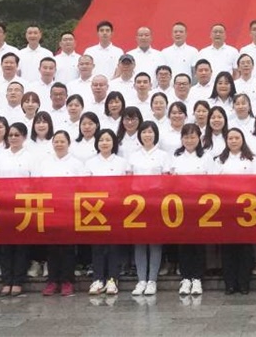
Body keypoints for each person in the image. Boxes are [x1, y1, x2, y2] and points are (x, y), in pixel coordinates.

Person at [37, 131, 87, 296]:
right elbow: (38, 184)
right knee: (51, 248)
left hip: (69, 209)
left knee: (67, 247)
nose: (59, 144)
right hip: (49, 209)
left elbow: (83, 185)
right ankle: (52, 281)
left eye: (62, 141)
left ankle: (67, 281)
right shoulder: (44, 163)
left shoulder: (77, 163)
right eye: (56, 141)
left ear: (68, 143)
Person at [214, 128, 256, 294]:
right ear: (226, 141)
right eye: (230, 138)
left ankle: (244, 282)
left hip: (247, 208)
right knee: (228, 247)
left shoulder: (252, 159)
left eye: (237, 138)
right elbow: (214, 183)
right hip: (226, 207)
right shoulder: (219, 160)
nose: (233, 141)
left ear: (242, 140)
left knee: (245, 246)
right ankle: (230, 283)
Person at [0, 122, 37, 296]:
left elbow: (36, 181)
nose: (13, 138)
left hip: (23, 205)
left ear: (24, 137)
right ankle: (6, 280)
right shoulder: (0, 156)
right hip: (4, 206)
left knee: (21, 246)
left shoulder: (30, 157)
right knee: (5, 246)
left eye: (17, 135)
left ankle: (18, 281)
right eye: (10, 135)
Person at [126, 120, 169, 295]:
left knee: (155, 242)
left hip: (156, 202)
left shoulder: (163, 155)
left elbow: (167, 180)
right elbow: (127, 179)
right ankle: (141, 280)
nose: (147, 135)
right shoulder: (133, 155)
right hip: (137, 204)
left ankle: (152, 280)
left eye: (150, 132)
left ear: (155, 135)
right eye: (144, 132)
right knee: (140, 242)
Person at [168, 124, 211, 295]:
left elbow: (212, 181)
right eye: (186, 137)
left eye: (193, 137)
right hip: (181, 205)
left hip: (201, 206)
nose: (189, 140)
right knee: (183, 242)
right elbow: (170, 180)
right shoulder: (175, 157)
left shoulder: (206, 157)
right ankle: (186, 277)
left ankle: (198, 278)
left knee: (199, 243)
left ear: (199, 138)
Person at [85, 129, 128, 295]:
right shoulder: (90, 163)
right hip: (95, 208)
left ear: (114, 143)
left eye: (108, 140)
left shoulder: (122, 162)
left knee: (113, 245)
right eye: (101, 140)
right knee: (97, 245)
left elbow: (126, 185)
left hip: (115, 208)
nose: (104, 143)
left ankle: (112, 278)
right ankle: (97, 278)